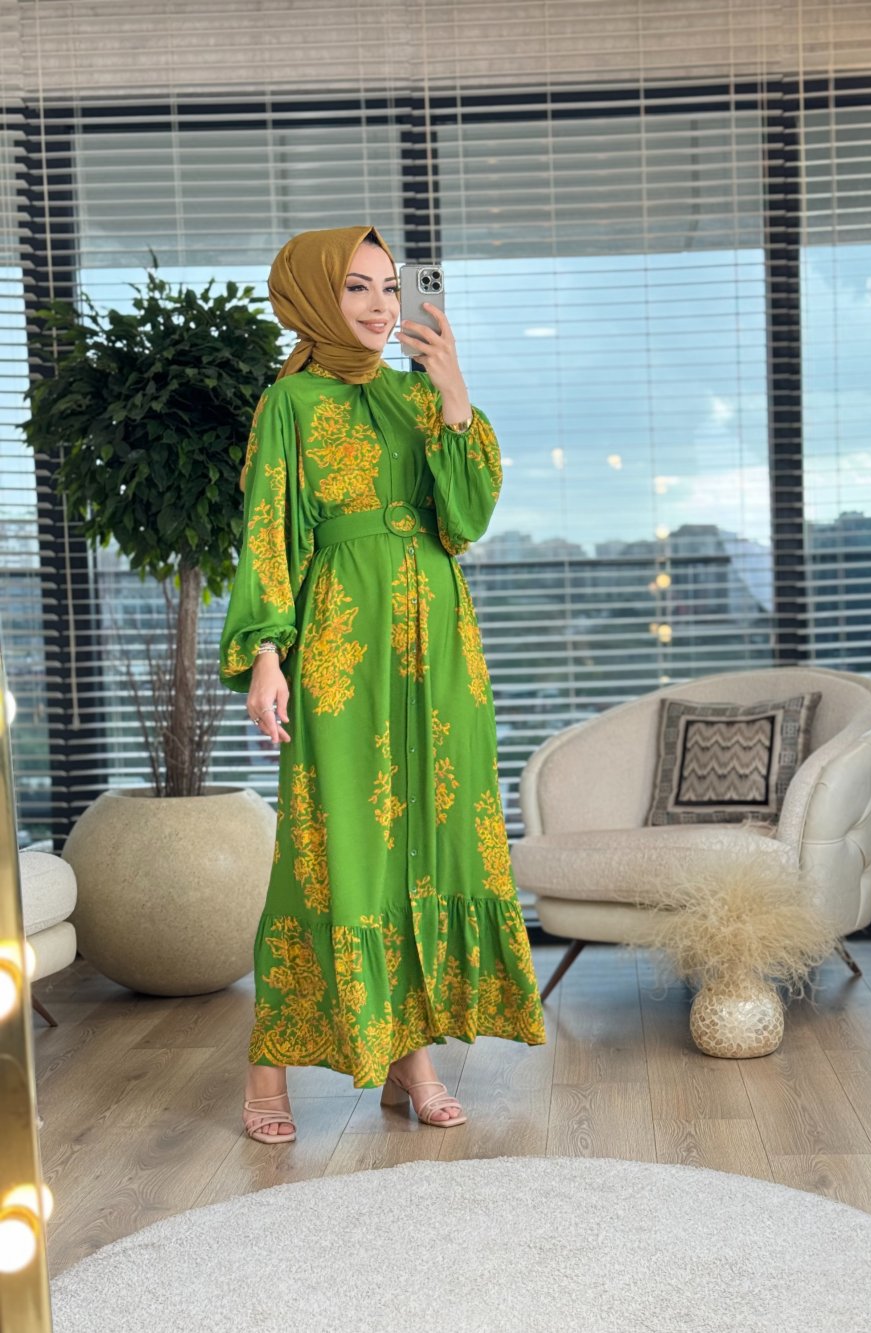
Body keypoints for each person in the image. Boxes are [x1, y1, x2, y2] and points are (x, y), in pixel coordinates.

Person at [218, 224, 547, 1140]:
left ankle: (414, 1061)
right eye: (357, 287)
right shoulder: (289, 403)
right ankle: (267, 1072)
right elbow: (270, 528)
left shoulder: (419, 397)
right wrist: (267, 653)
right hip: (341, 646)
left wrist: (454, 394)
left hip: (440, 645)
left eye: (391, 287)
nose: (381, 305)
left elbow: (465, 519)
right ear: (315, 296)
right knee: (334, 854)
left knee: (430, 848)